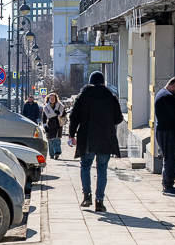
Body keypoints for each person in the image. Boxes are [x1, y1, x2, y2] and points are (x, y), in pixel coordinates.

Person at [67, 71, 123, 212]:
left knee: (85, 165)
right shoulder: (110, 97)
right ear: (103, 83)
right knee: (102, 168)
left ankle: (87, 196)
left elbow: (74, 117)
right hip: (106, 138)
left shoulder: (83, 96)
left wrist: (71, 134)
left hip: (87, 138)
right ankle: (100, 201)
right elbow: (119, 118)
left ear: (90, 82)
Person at [42, 93, 67, 159]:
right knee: (50, 140)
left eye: (53, 98)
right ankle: (52, 154)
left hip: (58, 124)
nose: (52, 99)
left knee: (56, 139)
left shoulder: (60, 106)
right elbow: (44, 117)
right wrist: (45, 126)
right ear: (48, 99)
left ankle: (57, 152)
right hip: (49, 125)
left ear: (56, 99)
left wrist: (60, 113)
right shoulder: (46, 107)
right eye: (51, 98)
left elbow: (64, 114)